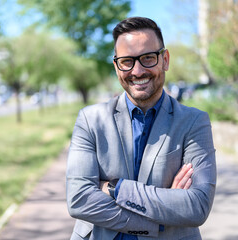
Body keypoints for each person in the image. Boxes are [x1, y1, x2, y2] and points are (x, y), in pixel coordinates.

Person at [66, 16, 216, 240]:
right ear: (117, 66)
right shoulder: (90, 120)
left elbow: (197, 206)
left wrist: (115, 189)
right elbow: (79, 200)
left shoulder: (194, 122)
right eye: (127, 61)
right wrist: (158, 218)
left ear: (164, 59)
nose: (137, 71)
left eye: (147, 58)